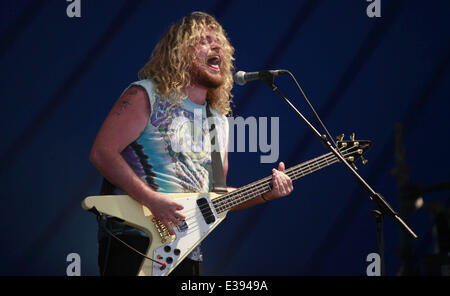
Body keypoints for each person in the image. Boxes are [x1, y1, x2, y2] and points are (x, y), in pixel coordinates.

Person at [89, 11, 293, 276]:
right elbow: (102, 153)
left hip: (187, 250)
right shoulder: (145, 94)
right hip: (134, 239)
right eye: (205, 40)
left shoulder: (218, 121)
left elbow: (215, 196)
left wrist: (267, 192)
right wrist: (151, 199)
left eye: (219, 42)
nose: (216, 46)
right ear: (180, 51)